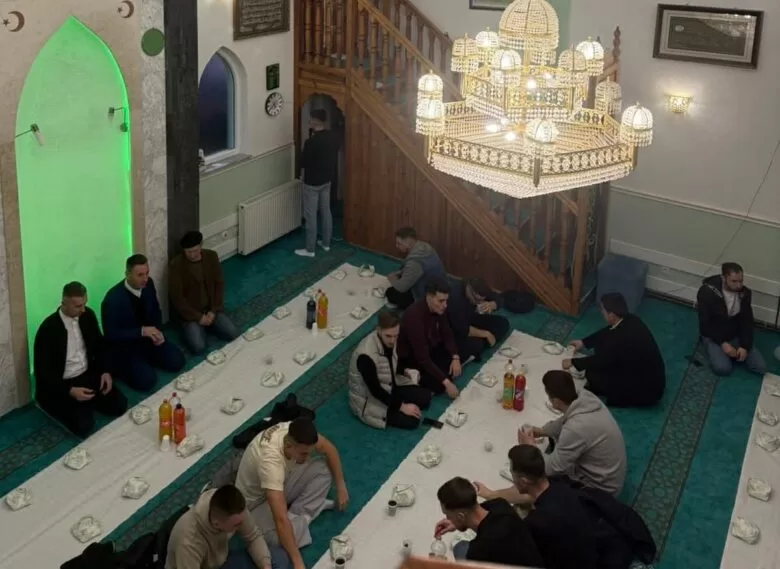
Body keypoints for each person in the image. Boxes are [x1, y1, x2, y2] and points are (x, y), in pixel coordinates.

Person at [235, 418, 349, 569]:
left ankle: (298, 516)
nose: (307, 458)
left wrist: (341, 486)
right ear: (288, 445)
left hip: (280, 481)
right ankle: (307, 516)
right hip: (256, 503)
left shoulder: (293, 430)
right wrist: (298, 563)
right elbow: (281, 520)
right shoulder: (271, 463)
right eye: (303, 454)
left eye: (309, 453)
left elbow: (329, 449)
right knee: (274, 540)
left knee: (324, 470)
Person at [33, 282, 128, 437]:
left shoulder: (87, 315)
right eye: (78, 306)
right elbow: (43, 373)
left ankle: (86, 401)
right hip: (61, 384)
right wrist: (69, 390)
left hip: (86, 374)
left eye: (84, 304)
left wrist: (105, 371)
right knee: (83, 425)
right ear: (64, 303)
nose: (83, 309)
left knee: (119, 405)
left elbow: (100, 346)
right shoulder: (48, 329)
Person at [517, 370, 626, 495]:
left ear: (556, 402)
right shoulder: (584, 397)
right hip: (608, 472)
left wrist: (531, 447)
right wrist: (542, 431)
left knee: (534, 486)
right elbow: (565, 419)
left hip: (599, 488)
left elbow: (552, 468)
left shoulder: (576, 428)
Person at [496, 444, 598, 569]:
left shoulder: (537, 522)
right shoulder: (562, 486)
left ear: (524, 481)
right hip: (591, 556)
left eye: (512, 474)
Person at [564, 292, 665, 407]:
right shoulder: (631, 319)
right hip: (646, 374)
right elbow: (608, 331)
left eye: (602, 310)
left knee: (593, 376)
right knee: (601, 349)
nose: (601, 312)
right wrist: (583, 342)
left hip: (647, 390)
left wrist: (573, 362)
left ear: (611, 315)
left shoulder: (620, 339)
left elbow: (602, 360)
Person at [101, 254, 185, 392]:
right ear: (127, 274)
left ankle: (145, 362)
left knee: (177, 361)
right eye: (140, 275)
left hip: (150, 339)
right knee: (147, 381)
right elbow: (111, 335)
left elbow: (156, 310)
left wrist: (158, 331)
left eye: (147, 273)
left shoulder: (148, 284)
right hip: (128, 346)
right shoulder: (112, 300)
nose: (145, 278)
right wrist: (140, 332)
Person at [166, 484, 287, 569]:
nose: (242, 524)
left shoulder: (234, 507)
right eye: (236, 525)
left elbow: (253, 537)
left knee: (279, 558)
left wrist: (265, 565)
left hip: (221, 560)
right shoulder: (189, 542)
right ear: (217, 524)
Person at [348, 309, 432, 429]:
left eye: (395, 336)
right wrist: (402, 407)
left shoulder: (390, 338)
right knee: (413, 421)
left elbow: (390, 363)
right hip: (369, 400)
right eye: (388, 336)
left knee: (426, 397)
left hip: (389, 385)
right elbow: (375, 390)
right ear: (378, 330)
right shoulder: (366, 356)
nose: (392, 340)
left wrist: (405, 371)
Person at [433, 477, 544, 568]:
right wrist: (455, 523)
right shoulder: (500, 504)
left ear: (461, 516)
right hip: (535, 562)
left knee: (460, 548)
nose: (447, 518)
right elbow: (474, 510)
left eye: (448, 515)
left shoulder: (478, 551)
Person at [169, 231, 239, 354]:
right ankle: (196, 328)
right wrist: (199, 317)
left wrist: (213, 311)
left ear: (201, 245)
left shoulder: (211, 257)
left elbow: (219, 285)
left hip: (211, 309)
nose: (192, 255)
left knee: (233, 334)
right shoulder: (177, 265)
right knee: (199, 347)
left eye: (195, 251)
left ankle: (209, 324)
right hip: (191, 315)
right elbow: (178, 299)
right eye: (188, 252)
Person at [697, 262, 767, 377]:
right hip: (713, 333)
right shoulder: (706, 293)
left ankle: (730, 351)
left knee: (760, 367)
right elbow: (705, 323)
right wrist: (723, 343)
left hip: (733, 333)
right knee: (723, 369)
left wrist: (745, 345)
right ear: (724, 278)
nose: (738, 285)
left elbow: (747, 321)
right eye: (734, 281)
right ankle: (708, 344)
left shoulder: (745, 293)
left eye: (741, 281)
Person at [397, 278, 462, 399]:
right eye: (441, 301)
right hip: (413, 359)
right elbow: (422, 357)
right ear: (429, 297)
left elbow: (446, 332)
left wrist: (455, 356)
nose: (445, 305)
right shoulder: (414, 316)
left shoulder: (438, 308)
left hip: (430, 348)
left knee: (461, 348)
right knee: (440, 384)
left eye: (446, 301)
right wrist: (446, 382)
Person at [295, 109, 338, 258]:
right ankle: (326, 244)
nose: (309, 121)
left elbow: (303, 162)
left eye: (311, 119)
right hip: (327, 180)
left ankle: (310, 249)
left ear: (314, 121)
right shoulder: (332, 137)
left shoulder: (311, 142)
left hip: (312, 183)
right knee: (326, 211)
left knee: (311, 215)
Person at [447, 277, 510, 363]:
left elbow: (499, 299)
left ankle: (481, 345)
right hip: (455, 328)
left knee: (503, 323)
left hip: (471, 318)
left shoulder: (481, 288)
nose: (479, 303)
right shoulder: (455, 298)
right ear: (469, 289)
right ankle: (482, 344)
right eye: (476, 300)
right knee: (476, 344)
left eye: (481, 300)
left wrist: (493, 304)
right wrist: (485, 334)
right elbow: (462, 328)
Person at [385, 227, 447, 309]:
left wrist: (392, 279)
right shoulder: (425, 246)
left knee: (391, 293)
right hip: (439, 285)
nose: (397, 246)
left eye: (399, 243)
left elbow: (402, 288)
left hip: (429, 295)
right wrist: (400, 273)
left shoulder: (415, 262)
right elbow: (407, 268)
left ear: (408, 242)